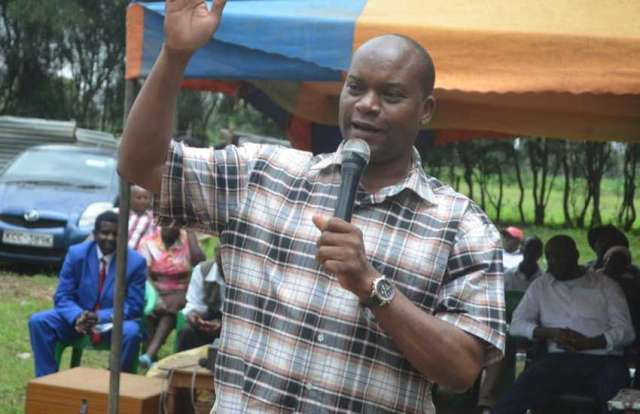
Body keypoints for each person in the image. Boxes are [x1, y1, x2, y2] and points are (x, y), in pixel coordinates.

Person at [118, 1, 505, 411]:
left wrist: (371, 285)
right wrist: (175, 55)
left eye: (391, 95)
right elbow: (142, 165)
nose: (367, 104)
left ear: (425, 110)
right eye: (356, 87)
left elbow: (461, 370)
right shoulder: (262, 174)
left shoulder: (461, 226)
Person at [493, 235, 635, 414]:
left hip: (603, 359)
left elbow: (626, 331)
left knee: (616, 399)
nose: (553, 262)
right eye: (549, 257)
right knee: (518, 394)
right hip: (557, 359)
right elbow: (516, 324)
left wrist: (590, 343)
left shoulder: (606, 285)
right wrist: (550, 333)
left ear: (575, 256)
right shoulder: (541, 285)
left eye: (559, 257)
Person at [28, 211, 147, 377]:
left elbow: (133, 306)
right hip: (78, 321)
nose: (110, 238)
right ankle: (46, 380)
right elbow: (62, 296)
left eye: (116, 234)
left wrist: (99, 317)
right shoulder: (77, 254)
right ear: (95, 233)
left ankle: (119, 384)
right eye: (105, 232)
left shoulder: (135, 263)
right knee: (39, 321)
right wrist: (78, 316)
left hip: (112, 324)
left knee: (131, 332)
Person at [477, 236, 543, 412]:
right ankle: (487, 397)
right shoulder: (507, 276)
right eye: (528, 249)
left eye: (535, 250)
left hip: (532, 331)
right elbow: (495, 306)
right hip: (505, 327)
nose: (531, 254)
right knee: (500, 345)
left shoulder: (542, 281)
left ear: (540, 254)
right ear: (522, 250)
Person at [138, 226, 205, 367]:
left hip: (181, 290)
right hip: (154, 288)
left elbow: (200, 264)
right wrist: (155, 297)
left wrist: (191, 233)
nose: (170, 226)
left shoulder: (187, 240)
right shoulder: (148, 242)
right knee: (148, 308)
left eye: (176, 222)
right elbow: (144, 273)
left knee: (172, 307)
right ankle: (151, 355)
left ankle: (149, 354)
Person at [177, 251, 225, 352]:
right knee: (187, 333)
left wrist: (223, 326)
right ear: (217, 256)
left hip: (238, 325)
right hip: (212, 318)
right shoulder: (203, 270)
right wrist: (195, 317)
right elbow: (194, 305)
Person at [128, 185, 155, 251]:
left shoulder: (152, 218)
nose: (142, 201)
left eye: (146, 198)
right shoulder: (125, 215)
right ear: (130, 199)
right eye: (138, 198)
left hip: (141, 252)